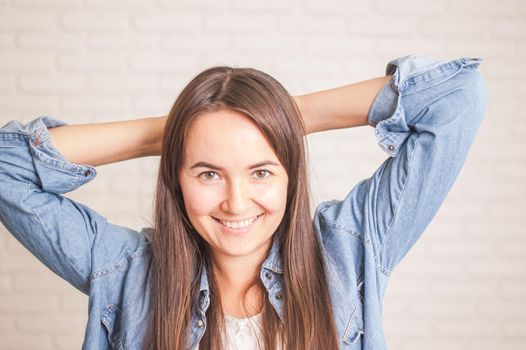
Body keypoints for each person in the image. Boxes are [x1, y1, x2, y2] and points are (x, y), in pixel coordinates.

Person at [0, 54, 488, 350]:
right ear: (177, 177)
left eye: (261, 171)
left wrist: (283, 117)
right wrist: (173, 133)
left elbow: (458, 95)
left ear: (290, 175)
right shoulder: (124, 271)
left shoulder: (351, 247)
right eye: (208, 172)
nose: (237, 203)